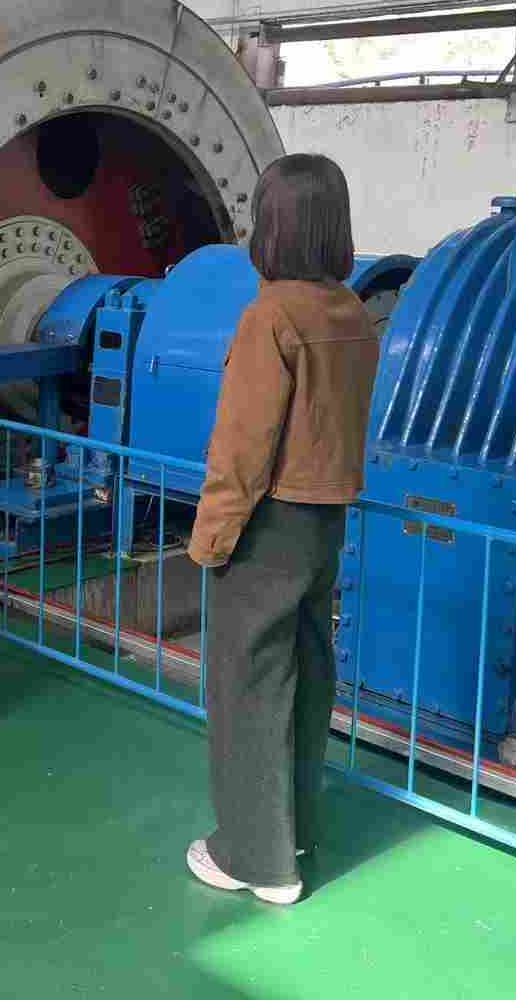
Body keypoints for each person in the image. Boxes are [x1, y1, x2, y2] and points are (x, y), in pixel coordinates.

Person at [183, 153, 379, 907]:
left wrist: (211, 538)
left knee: (248, 687)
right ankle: (293, 830)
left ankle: (255, 860)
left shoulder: (271, 317)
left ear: (271, 228)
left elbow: (242, 445)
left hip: (267, 525)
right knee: (305, 678)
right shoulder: (349, 311)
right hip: (325, 524)